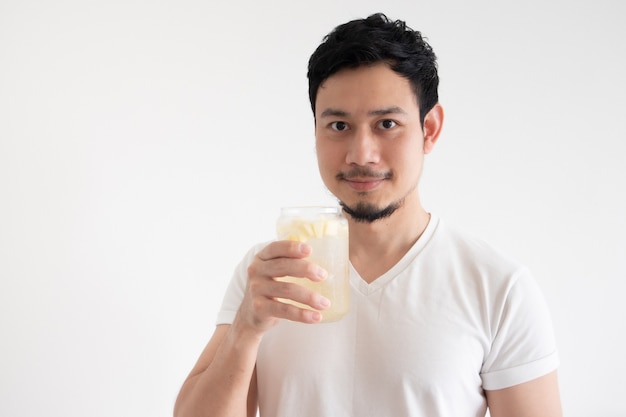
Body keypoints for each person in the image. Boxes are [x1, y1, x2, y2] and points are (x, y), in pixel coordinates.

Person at [174, 13, 562, 417]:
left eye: (387, 124)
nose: (361, 154)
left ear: (430, 129)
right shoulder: (270, 275)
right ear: (315, 132)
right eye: (339, 125)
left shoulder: (498, 288)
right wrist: (244, 330)